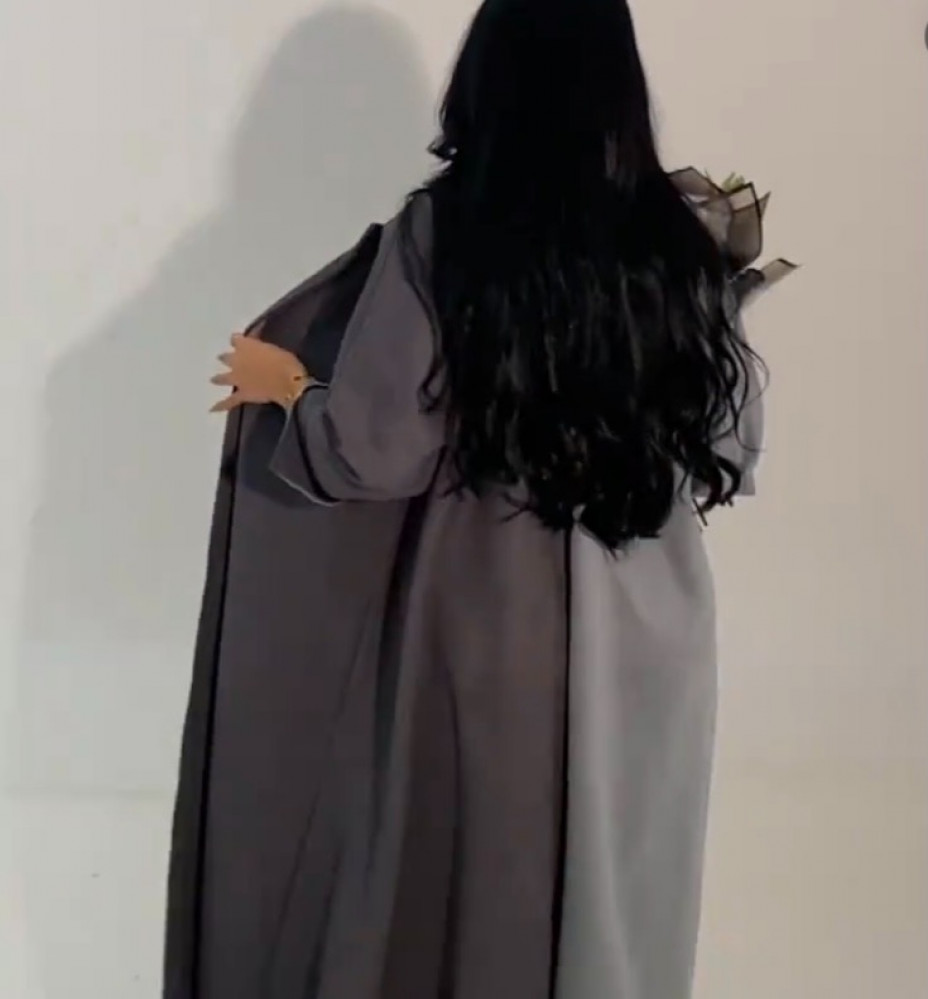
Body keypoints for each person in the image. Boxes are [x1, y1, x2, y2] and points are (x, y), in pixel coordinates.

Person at [164, 1, 766, 997]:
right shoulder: (682, 239)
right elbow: (731, 449)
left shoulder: (448, 236)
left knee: (484, 910)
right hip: (652, 648)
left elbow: (372, 448)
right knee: (619, 919)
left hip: (486, 631)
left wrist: (290, 385)